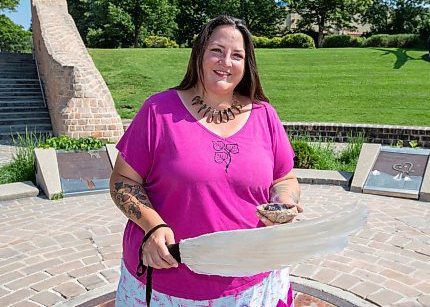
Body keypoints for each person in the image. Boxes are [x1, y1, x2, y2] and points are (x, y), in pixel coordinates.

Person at [110, 15, 302, 307]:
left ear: (246, 65)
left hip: (252, 278)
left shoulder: (265, 114)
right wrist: (152, 226)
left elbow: (284, 178)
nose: (226, 61)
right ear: (199, 53)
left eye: (237, 55)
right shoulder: (158, 111)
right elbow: (123, 182)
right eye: (217, 50)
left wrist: (283, 201)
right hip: (169, 280)